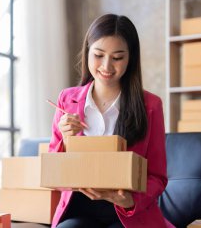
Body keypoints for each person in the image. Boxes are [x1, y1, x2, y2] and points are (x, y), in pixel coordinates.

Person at [48, 14, 175, 228]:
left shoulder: (151, 106)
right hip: (78, 209)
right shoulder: (66, 100)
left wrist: (130, 200)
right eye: (98, 55)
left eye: (117, 58)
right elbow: (53, 171)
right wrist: (65, 140)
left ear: (130, 58)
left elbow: (157, 177)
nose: (107, 66)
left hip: (126, 213)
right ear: (87, 51)